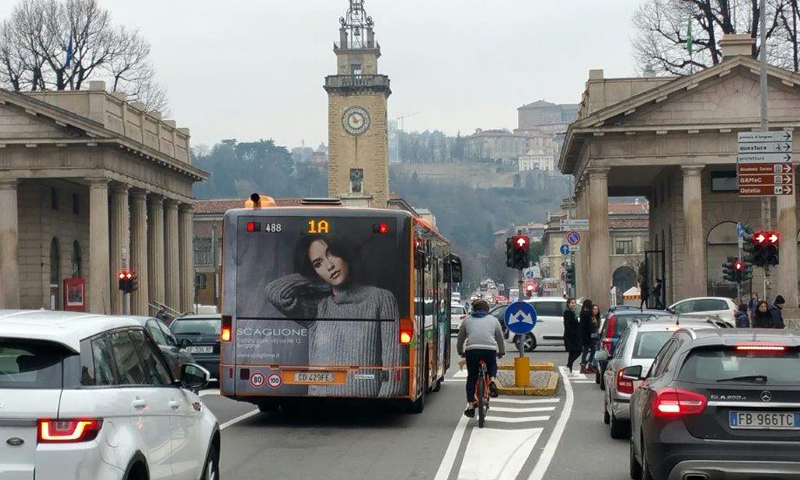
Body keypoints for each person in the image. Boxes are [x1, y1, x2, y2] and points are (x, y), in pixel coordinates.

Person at [265, 235, 403, 397]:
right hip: (319, 408)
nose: (329, 266)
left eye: (330, 254)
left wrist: (380, 409)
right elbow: (275, 293)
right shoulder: (318, 306)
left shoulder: (381, 299)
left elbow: (392, 365)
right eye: (318, 263)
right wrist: (312, 278)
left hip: (366, 412)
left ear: (343, 252)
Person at [457, 299, 505, 418]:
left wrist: (460, 351)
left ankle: (471, 406)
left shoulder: (467, 320)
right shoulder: (493, 320)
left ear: (473, 309)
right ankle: (492, 380)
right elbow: (500, 338)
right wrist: (501, 351)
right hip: (489, 349)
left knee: (472, 377)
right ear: (487, 309)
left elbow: (460, 338)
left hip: (472, 350)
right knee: (492, 363)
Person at [579, 301, 600, 374]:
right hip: (587, 337)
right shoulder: (587, 314)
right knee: (585, 351)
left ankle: (589, 365)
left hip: (587, 336)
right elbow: (589, 326)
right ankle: (583, 367)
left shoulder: (583, 313)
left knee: (593, 350)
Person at [563, 298, 582, 376]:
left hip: (573, 335)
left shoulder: (572, 312)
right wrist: (575, 333)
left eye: (574, 303)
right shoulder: (567, 313)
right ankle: (568, 365)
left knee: (572, 353)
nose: (573, 304)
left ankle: (569, 370)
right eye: (572, 303)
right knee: (578, 351)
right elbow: (568, 325)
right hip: (570, 336)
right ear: (568, 304)